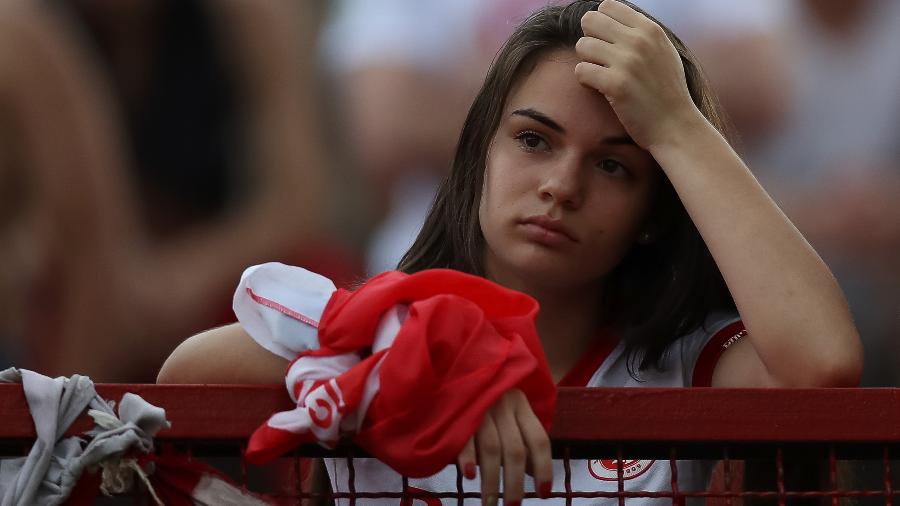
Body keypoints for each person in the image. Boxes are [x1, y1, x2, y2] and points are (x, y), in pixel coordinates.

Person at [158, 0, 863, 504]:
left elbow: (823, 362)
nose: (561, 186)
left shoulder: (683, 364)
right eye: (533, 140)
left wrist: (678, 124)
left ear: (652, 217)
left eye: (614, 166)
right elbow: (183, 380)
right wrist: (433, 350)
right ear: (478, 162)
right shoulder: (370, 332)